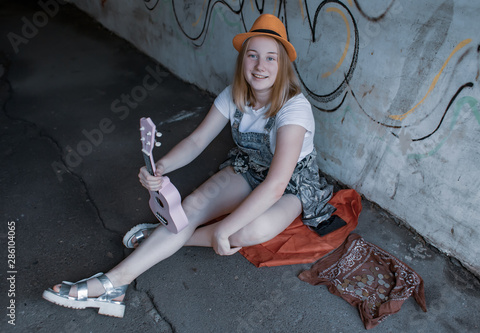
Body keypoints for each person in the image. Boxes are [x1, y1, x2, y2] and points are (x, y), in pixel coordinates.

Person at [42, 13, 335, 318]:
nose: (261, 66)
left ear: (282, 65)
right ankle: (112, 285)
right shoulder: (234, 95)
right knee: (192, 205)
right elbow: (196, 142)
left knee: (249, 231)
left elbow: (276, 184)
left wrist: (224, 231)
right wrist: (162, 166)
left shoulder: (294, 108)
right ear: (243, 60)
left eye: (271, 58)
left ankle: (166, 235)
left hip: (291, 183)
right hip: (251, 167)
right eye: (253, 55)